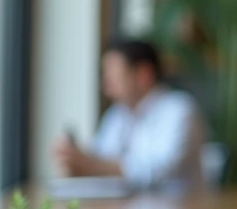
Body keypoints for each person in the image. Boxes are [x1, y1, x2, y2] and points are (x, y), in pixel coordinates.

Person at [53, 37, 206, 191]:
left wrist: (91, 164)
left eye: (113, 76)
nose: (106, 85)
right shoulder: (117, 114)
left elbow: (160, 170)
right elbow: (101, 156)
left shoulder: (179, 110)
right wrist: (77, 165)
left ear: (143, 75)